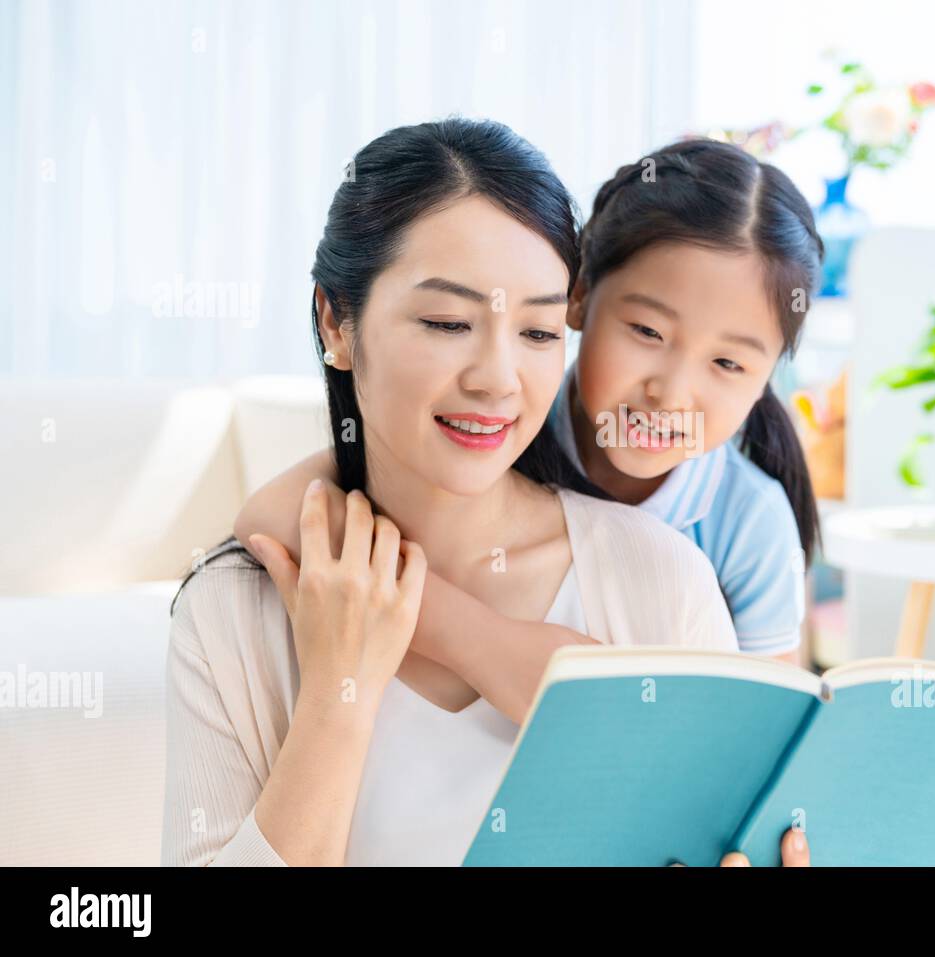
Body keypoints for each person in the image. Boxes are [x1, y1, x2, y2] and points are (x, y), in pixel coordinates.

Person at [163, 118, 807, 866]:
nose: (499, 378)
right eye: (447, 321)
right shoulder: (231, 612)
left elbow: (753, 794)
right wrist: (340, 689)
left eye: (536, 333)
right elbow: (277, 511)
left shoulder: (670, 578)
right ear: (334, 320)